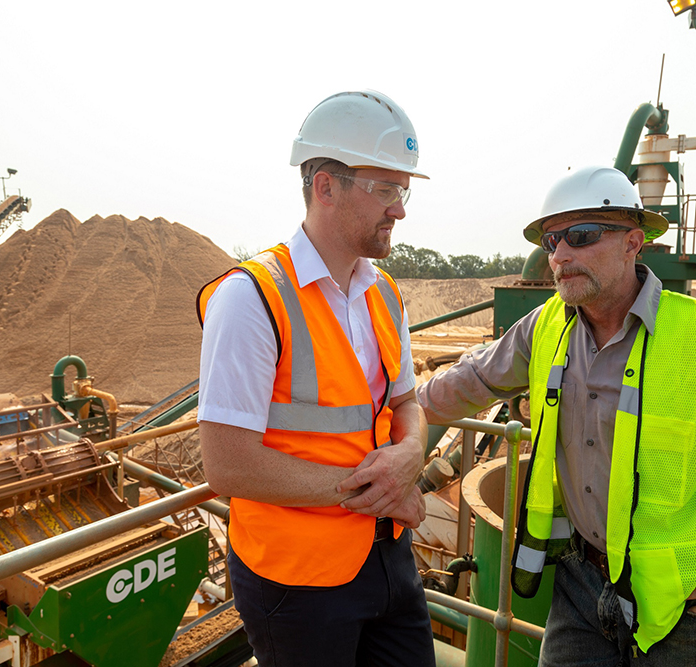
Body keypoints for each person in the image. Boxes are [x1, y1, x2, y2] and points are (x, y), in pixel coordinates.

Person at [417, 166, 696, 665]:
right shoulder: (545, 329)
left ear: (634, 242)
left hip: (693, 607)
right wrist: (380, 417)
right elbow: (465, 384)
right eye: (551, 241)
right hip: (580, 587)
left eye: (582, 236)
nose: (560, 255)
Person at [196, 90, 436, 667]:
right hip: (297, 582)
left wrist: (411, 454)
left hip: (389, 562)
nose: (399, 210)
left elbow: (407, 404)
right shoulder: (250, 299)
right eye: (384, 188)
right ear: (325, 186)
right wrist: (377, 489)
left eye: (402, 191)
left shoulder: (384, 293)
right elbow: (226, 465)